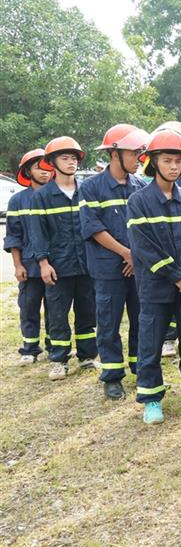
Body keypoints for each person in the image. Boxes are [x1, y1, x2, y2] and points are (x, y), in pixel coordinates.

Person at [127, 129, 181, 423]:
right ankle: (151, 398)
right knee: (151, 341)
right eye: (167, 160)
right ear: (153, 162)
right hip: (155, 285)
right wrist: (176, 275)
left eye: (178, 161)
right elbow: (143, 247)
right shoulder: (138, 201)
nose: (174, 166)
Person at [79, 124, 150, 400]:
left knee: (142, 321)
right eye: (134, 153)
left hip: (138, 267)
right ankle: (112, 376)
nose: (138, 159)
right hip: (107, 268)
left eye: (140, 153)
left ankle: (140, 368)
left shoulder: (140, 186)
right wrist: (125, 252)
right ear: (114, 153)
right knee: (108, 323)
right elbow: (93, 228)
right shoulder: (91, 187)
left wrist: (136, 256)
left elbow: (145, 228)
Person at [29, 137, 98, 380]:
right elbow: (37, 233)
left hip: (87, 264)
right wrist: (43, 263)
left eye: (73, 158)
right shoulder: (42, 197)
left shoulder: (87, 191)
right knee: (57, 314)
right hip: (58, 266)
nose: (70, 163)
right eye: (64, 158)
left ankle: (88, 356)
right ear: (52, 163)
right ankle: (59, 359)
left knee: (88, 311)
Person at [6, 149, 53, 364]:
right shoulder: (18, 201)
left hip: (55, 265)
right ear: (28, 171)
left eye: (48, 168)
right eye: (39, 168)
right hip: (30, 266)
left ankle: (55, 346)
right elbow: (13, 236)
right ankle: (30, 348)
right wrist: (17, 265)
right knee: (29, 306)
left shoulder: (57, 197)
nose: (45, 172)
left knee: (56, 309)